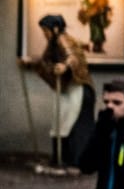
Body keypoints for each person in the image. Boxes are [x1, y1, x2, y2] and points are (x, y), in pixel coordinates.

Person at [19, 11, 94, 170]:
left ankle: (73, 160)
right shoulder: (53, 43)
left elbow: (72, 56)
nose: (44, 34)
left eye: (45, 31)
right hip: (67, 89)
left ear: (54, 29)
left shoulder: (63, 39)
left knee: (70, 122)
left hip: (78, 88)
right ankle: (61, 158)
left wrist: (65, 66)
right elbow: (45, 60)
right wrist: (30, 62)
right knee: (60, 121)